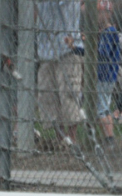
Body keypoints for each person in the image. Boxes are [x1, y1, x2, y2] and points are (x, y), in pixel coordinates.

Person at [35, 0, 82, 145]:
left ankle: (71, 139)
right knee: (48, 94)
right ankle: (60, 137)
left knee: (68, 92)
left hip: (67, 47)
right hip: (45, 49)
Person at [95, 1, 119, 147]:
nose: (98, 16)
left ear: (108, 14)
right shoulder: (104, 32)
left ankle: (110, 138)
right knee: (104, 106)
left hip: (106, 75)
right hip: (104, 75)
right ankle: (108, 137)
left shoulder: (109, 32)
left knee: (101, 108)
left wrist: (91, 43)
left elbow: (104, 54)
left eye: (100, 12)